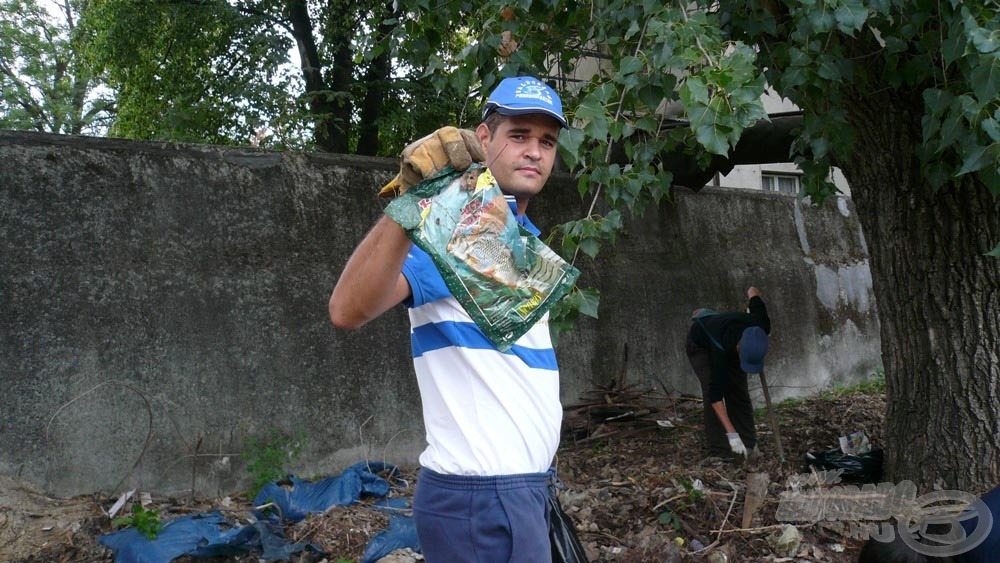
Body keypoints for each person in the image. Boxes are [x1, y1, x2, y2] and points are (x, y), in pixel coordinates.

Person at [329, 76, 570, 563]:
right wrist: (411, 208)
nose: (534, 152)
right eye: (518, 135)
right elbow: (347, 310)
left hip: (521, 493)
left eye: (546, 141)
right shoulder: (456, 237)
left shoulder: (510, 239)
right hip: (479, 498)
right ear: (484, 140)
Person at [685, 287, 771, 460]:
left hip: (727, 332)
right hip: (701, 344)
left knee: (738, 390)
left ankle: (748, 444)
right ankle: (721, 449)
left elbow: (753, 291)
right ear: (738, 348)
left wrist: (752, 294)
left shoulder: (761, 324)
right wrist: (732, 434)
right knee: (712, 392)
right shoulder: (720, 350)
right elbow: (716, 396)